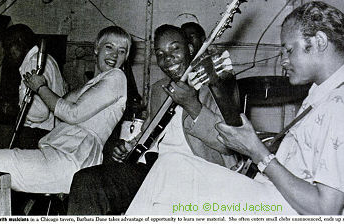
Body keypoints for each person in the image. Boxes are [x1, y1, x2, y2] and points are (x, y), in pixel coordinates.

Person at [125, 1, 344, 215]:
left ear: (319, 42)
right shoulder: (325, 94)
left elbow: (326, 210)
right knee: (169, 175)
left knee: (169, 170)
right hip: (272, 196)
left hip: (283, 209)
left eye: (289, 50)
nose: (283, 60)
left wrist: (258, 153)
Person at [67, 24, 240, 215]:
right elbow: (150, 133)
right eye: (160, 53)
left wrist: (192, 104)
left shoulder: (215, 85)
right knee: (87, 181)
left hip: (196, 174)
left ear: (190, 49)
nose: (168, 58)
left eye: (175, 48)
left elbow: (229, 143)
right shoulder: (159, 89)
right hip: (154, 169)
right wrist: (130, 146)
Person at [0, 26, 131, 194]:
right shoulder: (99, 80)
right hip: (64, 154)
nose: (115, 55)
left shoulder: (116, 77)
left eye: (122, 51)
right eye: (109, 47)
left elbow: (71, 113)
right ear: (96, 48)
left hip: (70, 158)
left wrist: (40, 87)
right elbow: (64, 103)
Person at [1, 24, 67, 149]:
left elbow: (40, 113)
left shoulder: (32, 65)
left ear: (20, 42)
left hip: (38, 134)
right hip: (53, 133)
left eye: (8, 46)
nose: (6, 53)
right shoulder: (47, 59)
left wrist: (14, 109)